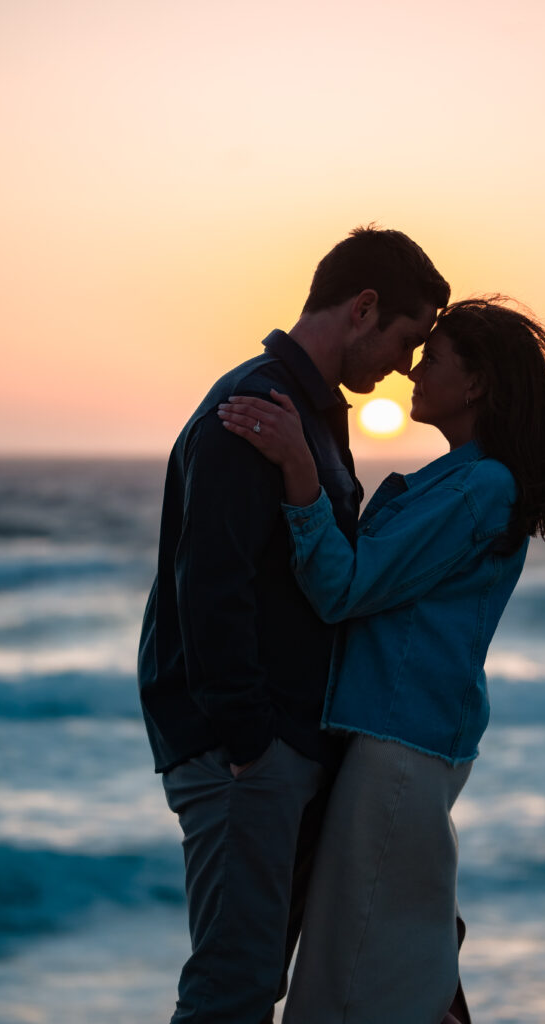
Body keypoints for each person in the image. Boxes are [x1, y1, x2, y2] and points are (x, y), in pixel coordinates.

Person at [218, 296, 545, 1023]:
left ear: (475, 385)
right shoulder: (461, 481)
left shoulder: (481, 487)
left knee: (353, 980)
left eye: (434, 357)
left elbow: (344, 587)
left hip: (399, 741)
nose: (415, 367)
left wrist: (298, 472)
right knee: (370, 953)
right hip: (397, 734)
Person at [137, 226, 450, 1024]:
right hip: (248, 750)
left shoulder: (313, 414)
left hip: (283, 744)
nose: (405, 367)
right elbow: (210, 584)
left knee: (254, 985)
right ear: (363, 308)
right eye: (406, 340)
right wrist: (245, 738)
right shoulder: (253, 408)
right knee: (231, 991)